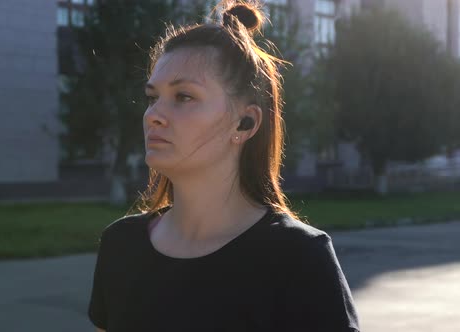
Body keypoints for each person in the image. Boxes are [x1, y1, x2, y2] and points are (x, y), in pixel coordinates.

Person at [87, 1, 360, 331]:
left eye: (183, 96)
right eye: (152, 97)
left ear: (244, 123)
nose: (153, 115)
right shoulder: (121, 244)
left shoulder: (298, 259)